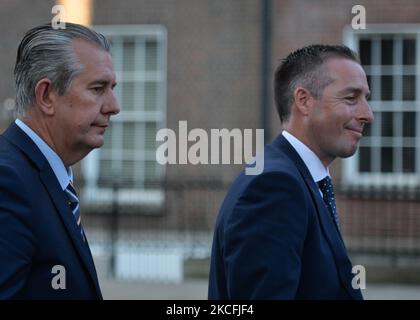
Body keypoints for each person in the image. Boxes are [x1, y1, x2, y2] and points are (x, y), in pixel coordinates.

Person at [208, 45, 373, 300]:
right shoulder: (274, 186)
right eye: (351, 98)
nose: (367, 114)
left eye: (366, 99)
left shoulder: (293, 176)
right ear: (304, 101)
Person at [0, 22, 120, 299]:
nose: (114, 106)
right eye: (98, 88)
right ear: (46, 96)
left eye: (112, 88)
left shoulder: (43, 176)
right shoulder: (9, 182)